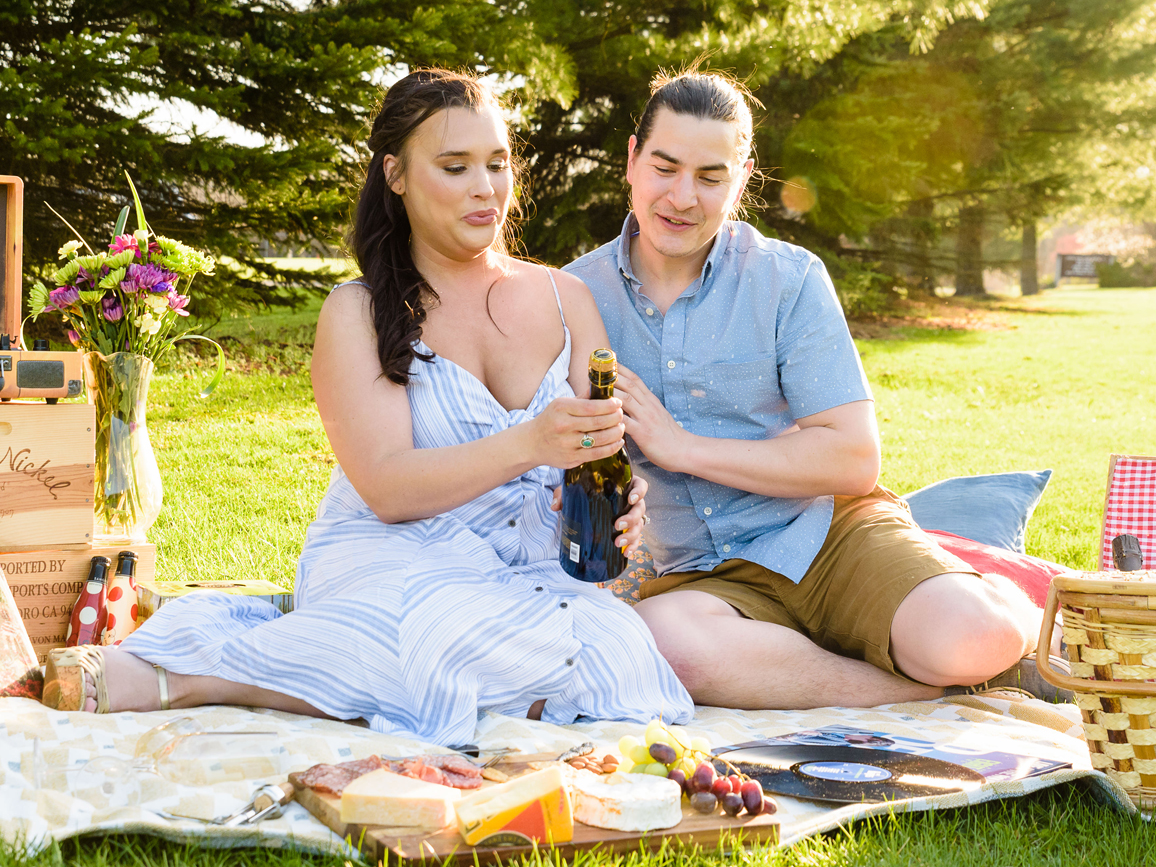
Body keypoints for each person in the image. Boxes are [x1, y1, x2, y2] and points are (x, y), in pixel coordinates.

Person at [41, 69, 694, 744]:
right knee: (436, 632)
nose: (485, 187)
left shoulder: (567, 299)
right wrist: (530, 443)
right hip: (395, 552)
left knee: (620, 653)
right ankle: (187, 675)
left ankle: (336, 659)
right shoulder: (359, 310)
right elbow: (386, 486)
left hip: (526, 569)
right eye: (455, 166)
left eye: (498, 164)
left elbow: (593, 455)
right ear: (397, 174)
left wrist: (614, 497)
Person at [562, 68, 1048, 710]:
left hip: (824, 535)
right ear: (632, 159)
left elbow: (852, 458)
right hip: (694, 580)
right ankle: (923, 694)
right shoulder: (574, 295)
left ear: (743, 176)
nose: (682, 197)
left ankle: (996, 613)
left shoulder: (788, 278)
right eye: (665, 167)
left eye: (711, 177)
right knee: (665, 647)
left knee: (973, 635)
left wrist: (679, 447)